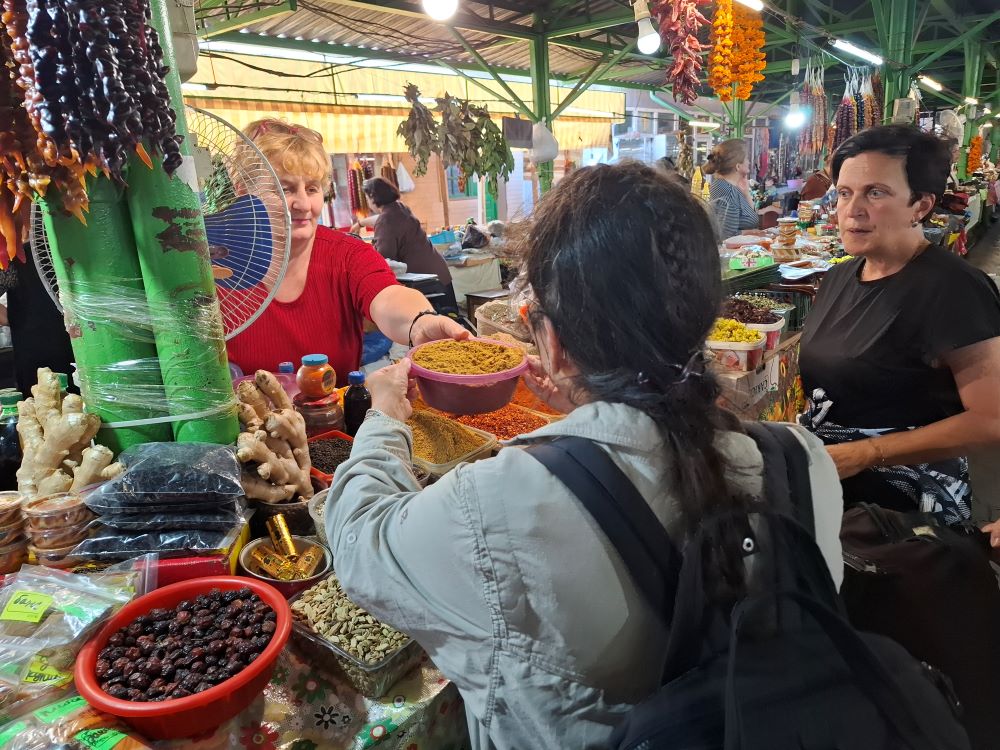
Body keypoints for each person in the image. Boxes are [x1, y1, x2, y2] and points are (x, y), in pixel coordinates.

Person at [324, 162, 844, 748]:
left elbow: (360, 545)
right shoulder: (803, 463)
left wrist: (385, 417)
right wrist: (584, 407)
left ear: (552, 341)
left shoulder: (498, 504)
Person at [798, 125, 1000, 528]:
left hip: (903, 513)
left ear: (921, 205)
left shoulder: (954, 288)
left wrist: (867, 453)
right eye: (843, 192)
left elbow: (991, 418)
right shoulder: (840, 277)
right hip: (833, 486)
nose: (852, 209)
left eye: (876, 192)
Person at [223, 120, 466, 385]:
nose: (303, 204)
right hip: (246, 425)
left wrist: (420, 322)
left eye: (312, 188)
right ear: (243, 191)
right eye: (284, 188)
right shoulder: (212, 269)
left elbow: (387, 296)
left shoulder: (347, 255)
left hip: (338, 422)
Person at [354, 177, 459, 312]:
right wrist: (360, 224)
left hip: (424, 281)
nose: (368, 202)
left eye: (367, 198)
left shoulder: (386, 219)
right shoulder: (399, 208)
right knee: (451, 320)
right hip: (439, 274)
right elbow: (381, 220)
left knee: (436, 327)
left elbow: (384, 258)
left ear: (373, 197)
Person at [703, 139, 759, 240]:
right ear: (738, 166)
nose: (749, 162)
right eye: (746, 159)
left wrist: (746, 193)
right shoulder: (726, 190)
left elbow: (752, 217)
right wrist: (752, 233)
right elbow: (726, 236)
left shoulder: (732, 188)